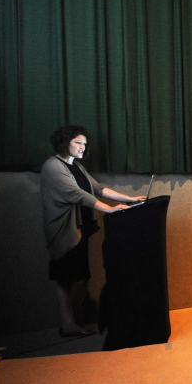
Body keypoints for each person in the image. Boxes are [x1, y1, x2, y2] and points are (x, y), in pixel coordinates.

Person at [40, 125, 145, 336]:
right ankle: (69, 322)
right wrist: (108, 209)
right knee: (66, 278)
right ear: (64, 142)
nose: (82, 147)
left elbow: (96, 188)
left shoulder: (76, 166)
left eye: (84, 144)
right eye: (77, 142)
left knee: (79, 277)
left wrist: (129, 198)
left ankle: (73, 318)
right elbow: (76, 194)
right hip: (64, 231)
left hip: (80, 229)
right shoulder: (53, 166)